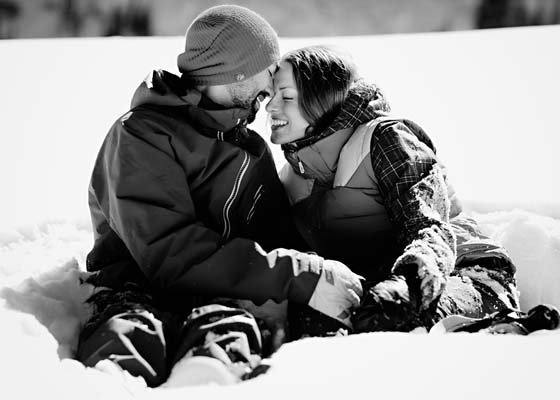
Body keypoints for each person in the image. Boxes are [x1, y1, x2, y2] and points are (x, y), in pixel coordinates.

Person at [76, 8, 363, 387]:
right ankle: (108, 388)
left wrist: (330, 268)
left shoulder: (250, 148)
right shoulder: (142, 135)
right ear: (235, 71)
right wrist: (297, 275)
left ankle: (207, 383)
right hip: (135, 290)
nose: (273, 79)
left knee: (228, 335)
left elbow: (277, 238)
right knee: (130, 335)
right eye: (267, 66)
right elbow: (170, 254)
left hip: (221, 298)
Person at [265, 45, 522, 335]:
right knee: (312, 321)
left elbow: (429, 227)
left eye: (286, 96)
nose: (270, 106)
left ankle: (504, 329)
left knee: (393, 319)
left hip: (462, 275)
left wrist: (409, 282)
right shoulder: (293, 175)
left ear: (323, 99)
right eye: (270, 95)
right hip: (380, 287)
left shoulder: (387, 139)